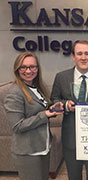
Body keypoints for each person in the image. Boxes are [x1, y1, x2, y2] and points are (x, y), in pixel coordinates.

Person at [51, 40, 88, 180]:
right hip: (71, 135)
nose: (83, 57)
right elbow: (54, 100)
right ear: (73, 56)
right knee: (73, 176)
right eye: (79, 53)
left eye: (87, 53)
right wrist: (65, 105)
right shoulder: (61, 77)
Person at [4, 52, 63, 180]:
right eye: (23, 67)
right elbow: (17, 126)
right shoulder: (14, 93)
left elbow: (39, 109)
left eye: (32, 67)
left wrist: (51, 109)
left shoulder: (35, 88)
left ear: (38, 69)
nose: (29, 71)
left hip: (42, 147)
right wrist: (45, 114)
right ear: (17, 69)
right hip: (28, 151)